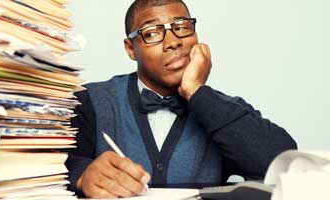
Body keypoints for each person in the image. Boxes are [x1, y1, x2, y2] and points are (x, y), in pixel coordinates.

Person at [66, 0, 297, 198]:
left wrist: (197, 92)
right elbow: (49, 166)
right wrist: (83, 173)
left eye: (182, 27)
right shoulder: (89, 100)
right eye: (152, 33)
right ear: (130, 49)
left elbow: (284, 164)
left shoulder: (222, 111)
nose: (173, 41)